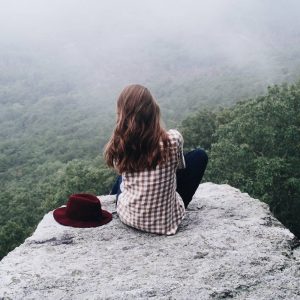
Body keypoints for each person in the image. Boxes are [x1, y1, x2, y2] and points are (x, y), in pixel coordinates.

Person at [104, 84, 208, 235]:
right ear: (153, 110)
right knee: (199, 156)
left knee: (122, 176)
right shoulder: (173, 139)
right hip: (166, 223)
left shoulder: (120, 144)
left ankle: (111, 198)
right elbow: (179, 168)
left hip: (130, 217)